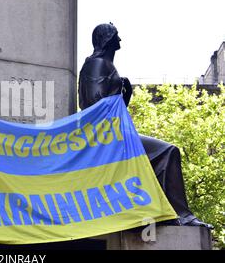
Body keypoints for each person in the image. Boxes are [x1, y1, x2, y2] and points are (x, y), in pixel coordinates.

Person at [78, 23, 212, 228]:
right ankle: (181, 215)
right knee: (168, 152)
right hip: (108, 137)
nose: (120, 40)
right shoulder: (98, 64)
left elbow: (111, 107)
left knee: (160, 155)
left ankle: (159, 213)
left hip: (112, 134)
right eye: (116, 36)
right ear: (107, 39)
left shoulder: (101, 64)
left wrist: (125, 93)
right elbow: (96, 105)